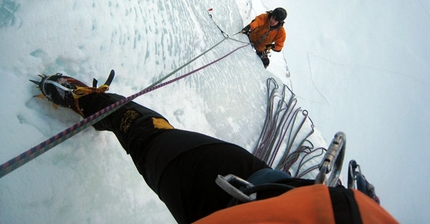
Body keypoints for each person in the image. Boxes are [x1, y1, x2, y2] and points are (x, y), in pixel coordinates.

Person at [32, 71, 399, 224]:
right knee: (152, 134)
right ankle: (97, 109)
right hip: (262, 185)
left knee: (145, 131)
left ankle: (85, 103)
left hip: (224, 193)